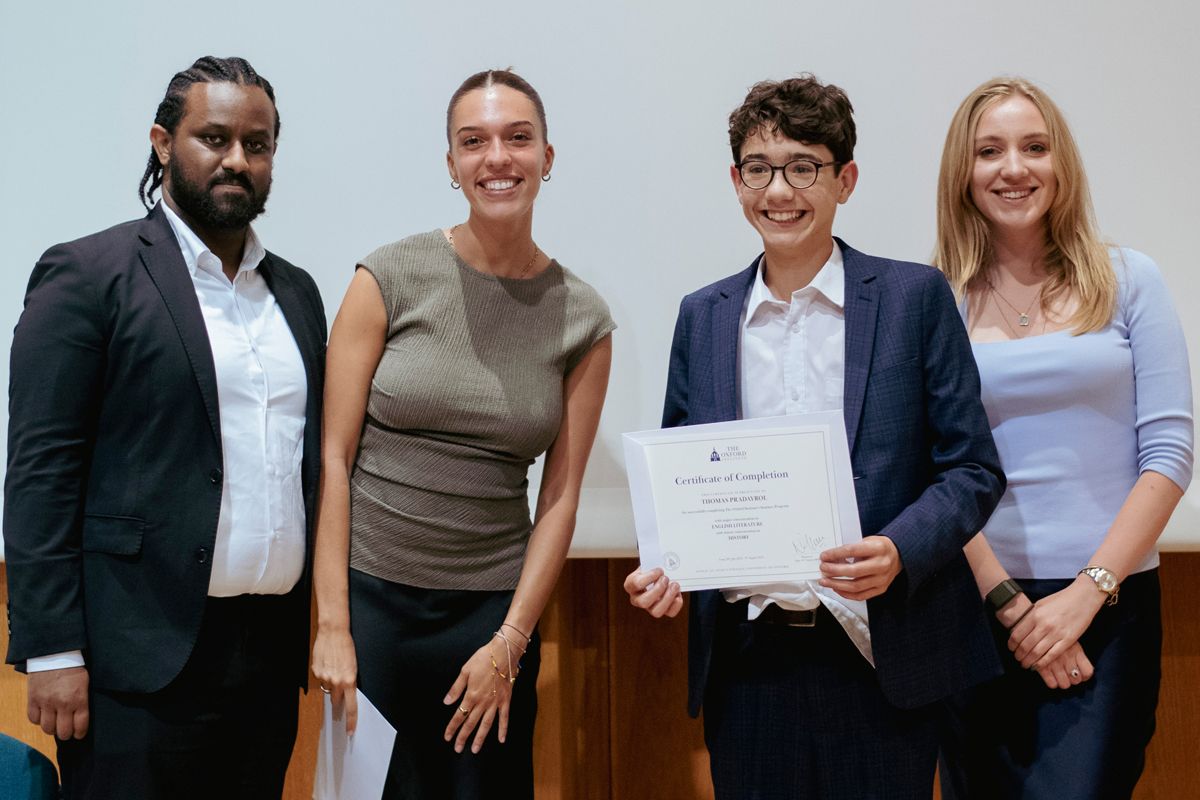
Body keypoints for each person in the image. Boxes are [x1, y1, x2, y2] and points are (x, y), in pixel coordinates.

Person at [622, 75, 1006, 799]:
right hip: (749, 661)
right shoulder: (702, 317)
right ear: (736, 182)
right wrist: (665, 563)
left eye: (805, 168)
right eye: (761, 170)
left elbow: (973, 469)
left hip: (883, 651)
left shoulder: (912, 298)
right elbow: (680, 481)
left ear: (845, 180)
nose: (780, 191)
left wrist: (899, 550)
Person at [3, 56, 326, 799]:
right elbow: (41, 472)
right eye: (213, 138)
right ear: (162, 142)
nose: (237, 161)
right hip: (133, 664)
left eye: (258, 143)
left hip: (267, 659)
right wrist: (52, 649)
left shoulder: (298, 295)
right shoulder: (89, 274)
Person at [310, 68, 614, 798]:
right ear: (451, 164)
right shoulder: (386, 276)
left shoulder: (583, 317)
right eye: (473, 142)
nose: (497, 158)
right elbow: (332, 457)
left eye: (517, 138)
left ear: (548, 156)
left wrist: (509, 644)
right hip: (372, 607)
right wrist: (332, 625)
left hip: (489, 618)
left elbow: (561, 500)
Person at [933, 76, 1193, 799]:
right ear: (964, 171)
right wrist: (1010, 606)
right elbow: (934, 469)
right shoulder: (933, 299)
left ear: (1061, 163)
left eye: (1034, 147)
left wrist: (1087, 592)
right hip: (977, 614)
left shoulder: (1129, 280)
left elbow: (1169, 453)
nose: (1013, 168)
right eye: (990, 150)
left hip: (1108, 612)